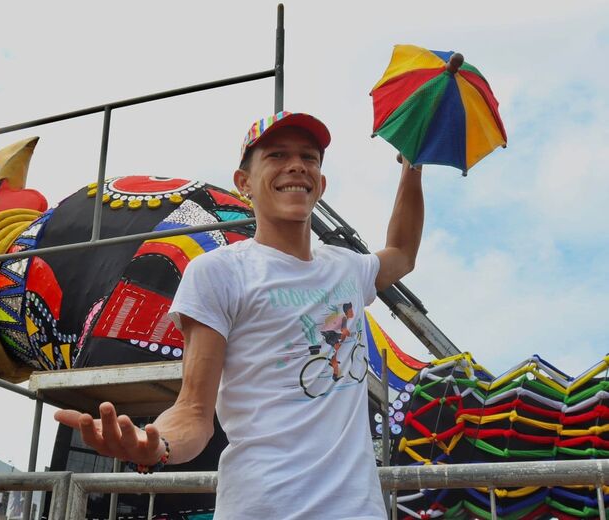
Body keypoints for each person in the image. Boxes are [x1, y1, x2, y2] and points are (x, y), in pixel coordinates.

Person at [55, 111, 423, 519]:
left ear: (320, 183)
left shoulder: (348, 268)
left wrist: (413, 167)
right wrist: (157, 443)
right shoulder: (219, 272)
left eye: (309, 158)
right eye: (277, 155)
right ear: (243, 183)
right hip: (262, 508)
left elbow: (403, 252)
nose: (297, 165)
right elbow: (195, 410)